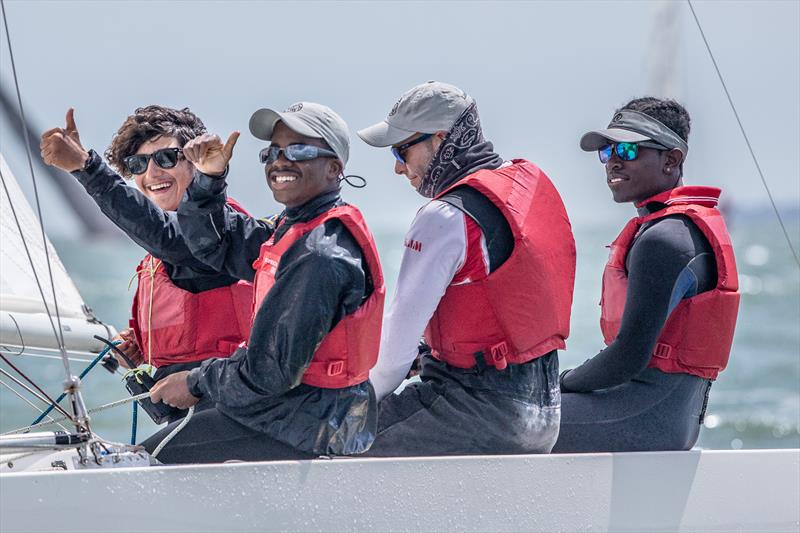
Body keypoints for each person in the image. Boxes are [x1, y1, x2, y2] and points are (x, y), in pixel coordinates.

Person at [142, 102, 385, 463]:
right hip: (298, 413)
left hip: (308, 425)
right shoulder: (291, 230)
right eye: (271, 152)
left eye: (299, 151)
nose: (280, 162)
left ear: (335, 168)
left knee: (149, 458)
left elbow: (269, 371)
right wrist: (208, 179)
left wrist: (195, 382)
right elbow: (214, 244)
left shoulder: (320, 255)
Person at [357, 81, 576, 456]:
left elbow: (391, 362)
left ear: (439, 140)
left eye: (401, 150)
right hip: (543, 416)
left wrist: (343, 408)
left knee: (328, 438)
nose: (397, 167)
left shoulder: (442, 217)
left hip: (473, 411)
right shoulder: (528, 184)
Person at [40, 106, 253, 422]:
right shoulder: (160, 254)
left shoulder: (219, 229)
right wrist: (140, 359)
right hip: (194, 420)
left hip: (238, 416)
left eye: (166, 158)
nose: (152, 173)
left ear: (197, 161)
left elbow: (165, 235)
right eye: (138, 164)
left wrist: (86, 167)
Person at [553, 98, 740, 453]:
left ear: (671, 160)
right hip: (663, 416)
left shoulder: (665, 240)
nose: (614, 161)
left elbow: (629, 356)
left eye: (628, 149)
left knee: (509, 420)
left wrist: (558, 382)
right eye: (607, 151)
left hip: (646, 418)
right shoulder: (667, 230)